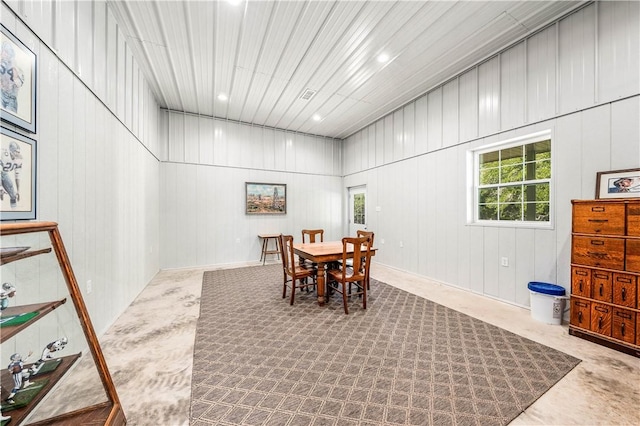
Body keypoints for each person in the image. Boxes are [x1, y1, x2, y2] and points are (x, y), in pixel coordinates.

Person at [1, 40, 25, 113]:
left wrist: (14, 66)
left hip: (11, 99)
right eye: (3, 52)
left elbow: (19, 83)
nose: (5, 54)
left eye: (7, 52)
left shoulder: (18, 69)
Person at [0, 140, 22, 208]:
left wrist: (18, 190)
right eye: (16, 151)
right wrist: (0, 187)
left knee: (13, 195)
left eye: (18, 152)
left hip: (4, 173)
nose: (18, 154)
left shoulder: (19, 160)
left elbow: (17, 176)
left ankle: (14, 210)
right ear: (11, 151)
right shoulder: (3, 154)